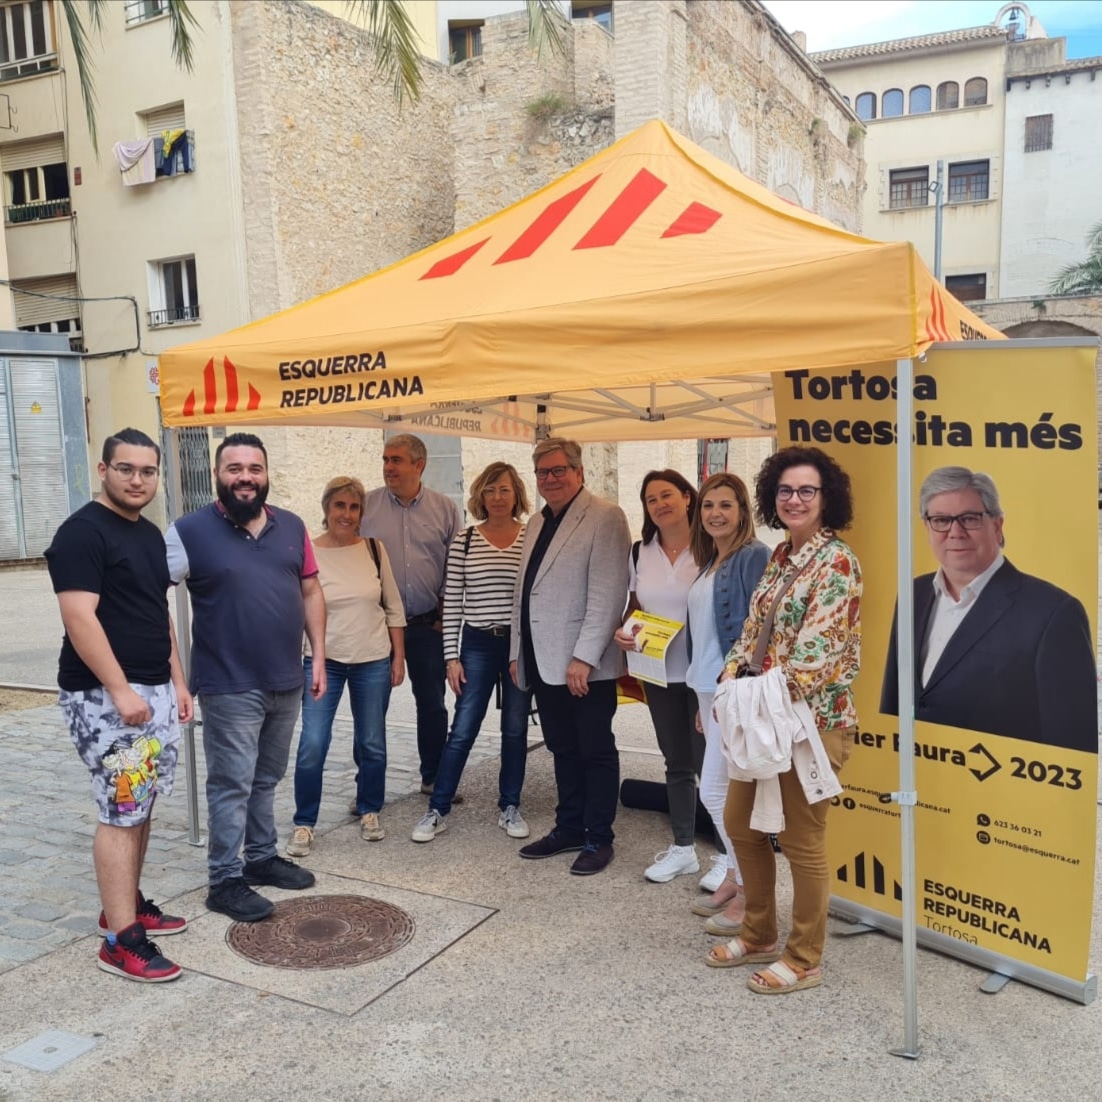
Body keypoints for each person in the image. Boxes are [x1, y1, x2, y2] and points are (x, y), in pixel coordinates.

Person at [710, 445, 861, 995]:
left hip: (810, 723)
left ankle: (804, 959)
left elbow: (814, 662)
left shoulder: (838, 562)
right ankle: (758, 933)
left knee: (802, 841)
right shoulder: (779, 556)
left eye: (806, 491)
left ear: (826, 499)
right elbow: (750, 634)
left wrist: (744, 698)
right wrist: (728, 683)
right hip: (761, 714)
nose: (794, 499)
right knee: (741, 824)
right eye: (785, 490)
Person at [45, 428, 192, 982]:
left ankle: (124, 904)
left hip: (153, 690)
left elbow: (158, 614)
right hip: (105, 695)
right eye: (126, 469)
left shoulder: (151, 535)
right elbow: (79, 617)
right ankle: (119, 941)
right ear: (103, 470)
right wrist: (121, 690)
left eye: (147, 471)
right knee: (121, 810)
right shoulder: (81, 533)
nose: (137, 480)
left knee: (142, 803)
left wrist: (177, 681)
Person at [166, 432, 327, 923]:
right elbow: (153, 602)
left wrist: (318, 655)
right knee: (231, 783)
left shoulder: (292, 526)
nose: (245, 478)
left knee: (265, 778)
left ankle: (260, 858)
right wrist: (176, 678)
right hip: (229, 683)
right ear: (218, 475)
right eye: (234, 468)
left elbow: (312, 592)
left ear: (265, 473)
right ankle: (224, 880)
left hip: (287, 678)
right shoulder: (187, 531)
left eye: (253, 468)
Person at [880, 466, 1096, 752]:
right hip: (921, 783)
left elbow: (1072, 743)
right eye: (941, 520)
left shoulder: (1053, 613)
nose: (955, 532)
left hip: (1003, 790)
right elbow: (894, 701)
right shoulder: (913, 594)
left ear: (997, 525)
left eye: (969, 519)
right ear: (927, 527)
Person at [510, 438, 631, 875]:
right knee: (562, 748)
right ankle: (569, 827)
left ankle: (599, 837)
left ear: (580, 472)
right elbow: (524, 592)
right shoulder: (539, 522)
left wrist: (584, 657)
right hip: (543, 660)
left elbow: (607, 593)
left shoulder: (605, 517)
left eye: (559, 470)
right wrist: (516, 651)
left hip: (584, 666)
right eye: (543, 472)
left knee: (594, 750)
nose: (550, 479)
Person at [412, 462, 533, 843]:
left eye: (505, 490)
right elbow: (452, 606)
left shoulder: (531, 539)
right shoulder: (465, 540)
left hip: (516, 644)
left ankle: (509, 806)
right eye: (490, 490)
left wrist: (523, 651)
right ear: (480, 495)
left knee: (514, 729)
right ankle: (438, 809)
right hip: (477, 643)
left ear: (516, 495)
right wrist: (451, 657)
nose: (497, 497)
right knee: (463, 728)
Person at [286, 477, 406, 858]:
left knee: (372, 742)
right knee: (313, 744)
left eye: (354, 507)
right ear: (326, 509)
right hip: (324, 662)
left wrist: (398, 657)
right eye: (340, 506)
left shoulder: (373, 549)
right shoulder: (308, 551)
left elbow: (393, 606)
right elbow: (297, 608)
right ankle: (304, 822)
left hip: (372, 657)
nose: (347, 514)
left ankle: (370, 808)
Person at [613, 470, 708, 884]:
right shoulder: (640, 551)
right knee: (677, 762)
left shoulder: (712, 545)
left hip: (705, 673)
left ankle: (728, 854)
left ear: (688, 497)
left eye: (667, 495)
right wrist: (625, 630)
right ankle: (684, 848)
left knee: (713, 764)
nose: (659, 504)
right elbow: (635, 606)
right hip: (658, 672)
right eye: (651, 499)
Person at [683, 473, 769, 924]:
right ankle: (736, 876)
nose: (716, 513)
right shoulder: (710, 561)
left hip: (730, 690)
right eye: (708, 505)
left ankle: (753, 895)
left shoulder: (752, 557)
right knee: (719, 788)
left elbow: (761, 630)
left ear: (742, 511)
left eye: (726, 505)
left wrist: (729, 688)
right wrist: (704, 697)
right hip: (707, 690)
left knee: (719, 792)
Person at [361, 434, 462, 795]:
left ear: (419, 465)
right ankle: (367, 788)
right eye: (386, 459)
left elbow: (455, 567)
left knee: (432, 704)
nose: (389, 467)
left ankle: (433, 776)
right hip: (376, 626)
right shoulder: (366, 506)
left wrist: (444, 615)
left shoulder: (446, 509)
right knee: (372, 707)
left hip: (425, 626)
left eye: (397, 460)